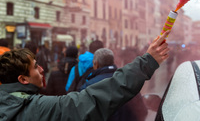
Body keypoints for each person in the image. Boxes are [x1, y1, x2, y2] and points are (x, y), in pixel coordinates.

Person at [0, 31, 170, 121]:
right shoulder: (37, 108)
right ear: (23, 79)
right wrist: (147, 62)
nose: (42, 69)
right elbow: (94, 99)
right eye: (36, 67)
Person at [79, 48, 148, 121]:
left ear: (96, 64)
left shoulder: (88, 86)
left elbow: (82, 115)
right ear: (113, 62)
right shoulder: (128, 81)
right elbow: (143, 111)